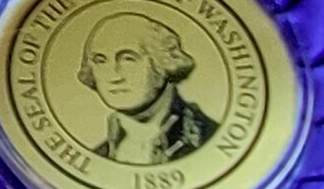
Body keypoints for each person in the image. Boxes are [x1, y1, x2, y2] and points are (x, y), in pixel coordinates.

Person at [77, 11, 218, 163]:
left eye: (128, 59)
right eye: (101, 61)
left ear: (163, 64)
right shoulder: (99, 157)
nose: (114, 75)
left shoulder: (208, 139)